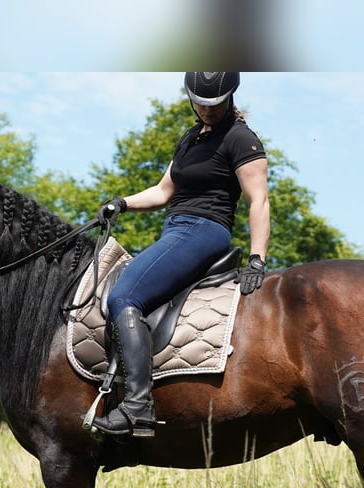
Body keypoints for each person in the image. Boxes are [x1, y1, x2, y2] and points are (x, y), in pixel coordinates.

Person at [91, 72, 271, 437]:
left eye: (215, 103)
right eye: (200, 103)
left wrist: (257, 258)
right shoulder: (190, 138)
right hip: (175, 229)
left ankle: (137, 407)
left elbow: (259, 201)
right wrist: (121, 203)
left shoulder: (241, 139)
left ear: (231, 98)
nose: (207, 110)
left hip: (205, 230)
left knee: (125, 296)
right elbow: (162, 192)